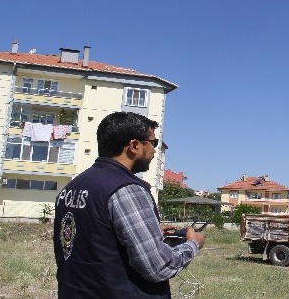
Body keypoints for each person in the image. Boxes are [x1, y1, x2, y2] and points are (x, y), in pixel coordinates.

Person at [53, 111, 205, 299]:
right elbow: (158, 267)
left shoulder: (71, 188)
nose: (154, 150)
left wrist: (151, 232)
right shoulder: (126, 189)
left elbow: (96, 240)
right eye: (153, 143)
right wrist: (193, 243)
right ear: (134, 146)